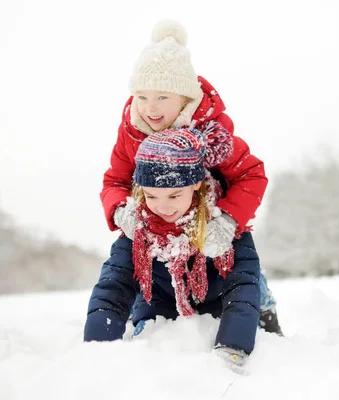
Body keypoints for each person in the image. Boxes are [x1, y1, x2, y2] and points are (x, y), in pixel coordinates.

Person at [100, 19, 282, 335]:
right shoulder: (132, 132)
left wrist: (227, 220)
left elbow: (251, 174)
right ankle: (142, 318)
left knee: (241, 267)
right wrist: (121, 211)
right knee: (135, 270)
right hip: (159, 225)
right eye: (142, 97)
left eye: (163, 97)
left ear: (185, 98)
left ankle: (262, 314)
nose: (150, 108)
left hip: (207, 224)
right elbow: (115, 179)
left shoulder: (209, 133)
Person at [85, 128, 260, 373]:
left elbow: (242, 286)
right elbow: (113, 287)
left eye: (174, 195)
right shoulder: (139, 227)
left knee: (255, 294)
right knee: (151, 348)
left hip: (218, 306)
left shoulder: (221, 226)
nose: (162, 207)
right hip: (158, 305)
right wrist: (98, 348)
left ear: (196, 184)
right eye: (151, 196)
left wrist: (233, 346)